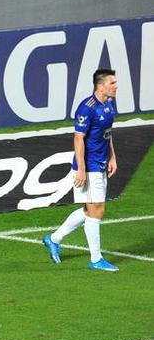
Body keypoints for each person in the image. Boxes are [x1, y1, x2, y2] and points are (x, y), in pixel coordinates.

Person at [43, 67, 120, 272]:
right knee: (97, 210)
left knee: (90, 210)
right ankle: (95, 259)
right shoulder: (87, 108)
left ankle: (53, 239)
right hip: (89, 165)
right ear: (101, 85)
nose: (116, 86)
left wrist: (112, 156)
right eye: (112, 83)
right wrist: (81, 168)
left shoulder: (109, 105)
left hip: (102, 162)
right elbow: (78, 138)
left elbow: (107, 133)